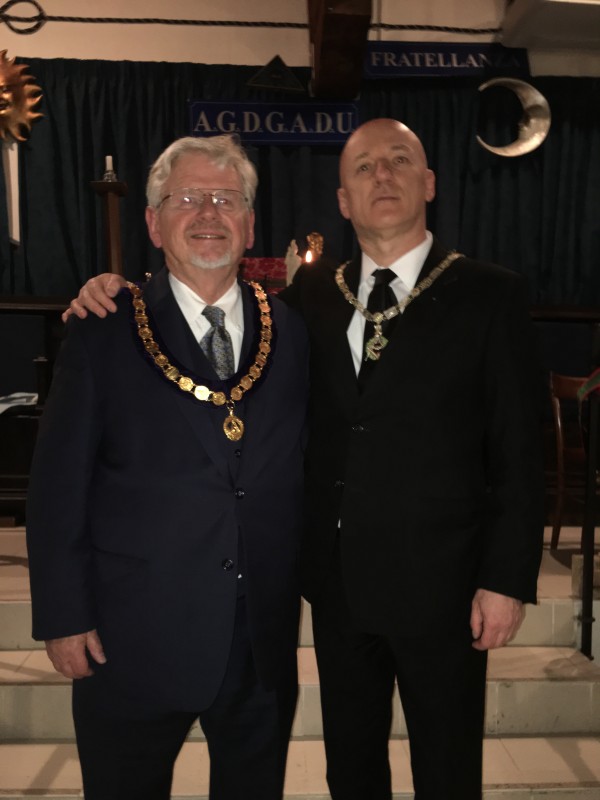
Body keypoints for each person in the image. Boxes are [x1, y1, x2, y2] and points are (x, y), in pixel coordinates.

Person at [65, 118, 545, 799]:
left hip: (446, 587)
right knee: (350, 765)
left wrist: (506, 579)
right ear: (342, 199)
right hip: (336, 588)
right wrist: (108, 286)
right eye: (363, 167)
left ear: (429, 182)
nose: (382, 174)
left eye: (400, 160)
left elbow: (521, 451)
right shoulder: (304, 305)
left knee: (447, 766)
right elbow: (188, 308)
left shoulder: (490, 295)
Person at [26, 134, 309, 800]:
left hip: (258, 642)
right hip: (131, 640)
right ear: (153, 222)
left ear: (250, 222)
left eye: (226, 199)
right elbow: (57, 485)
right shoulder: (102, 327)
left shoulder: (291, 331)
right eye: (187, 199)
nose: (208, 214)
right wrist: (64, 615)